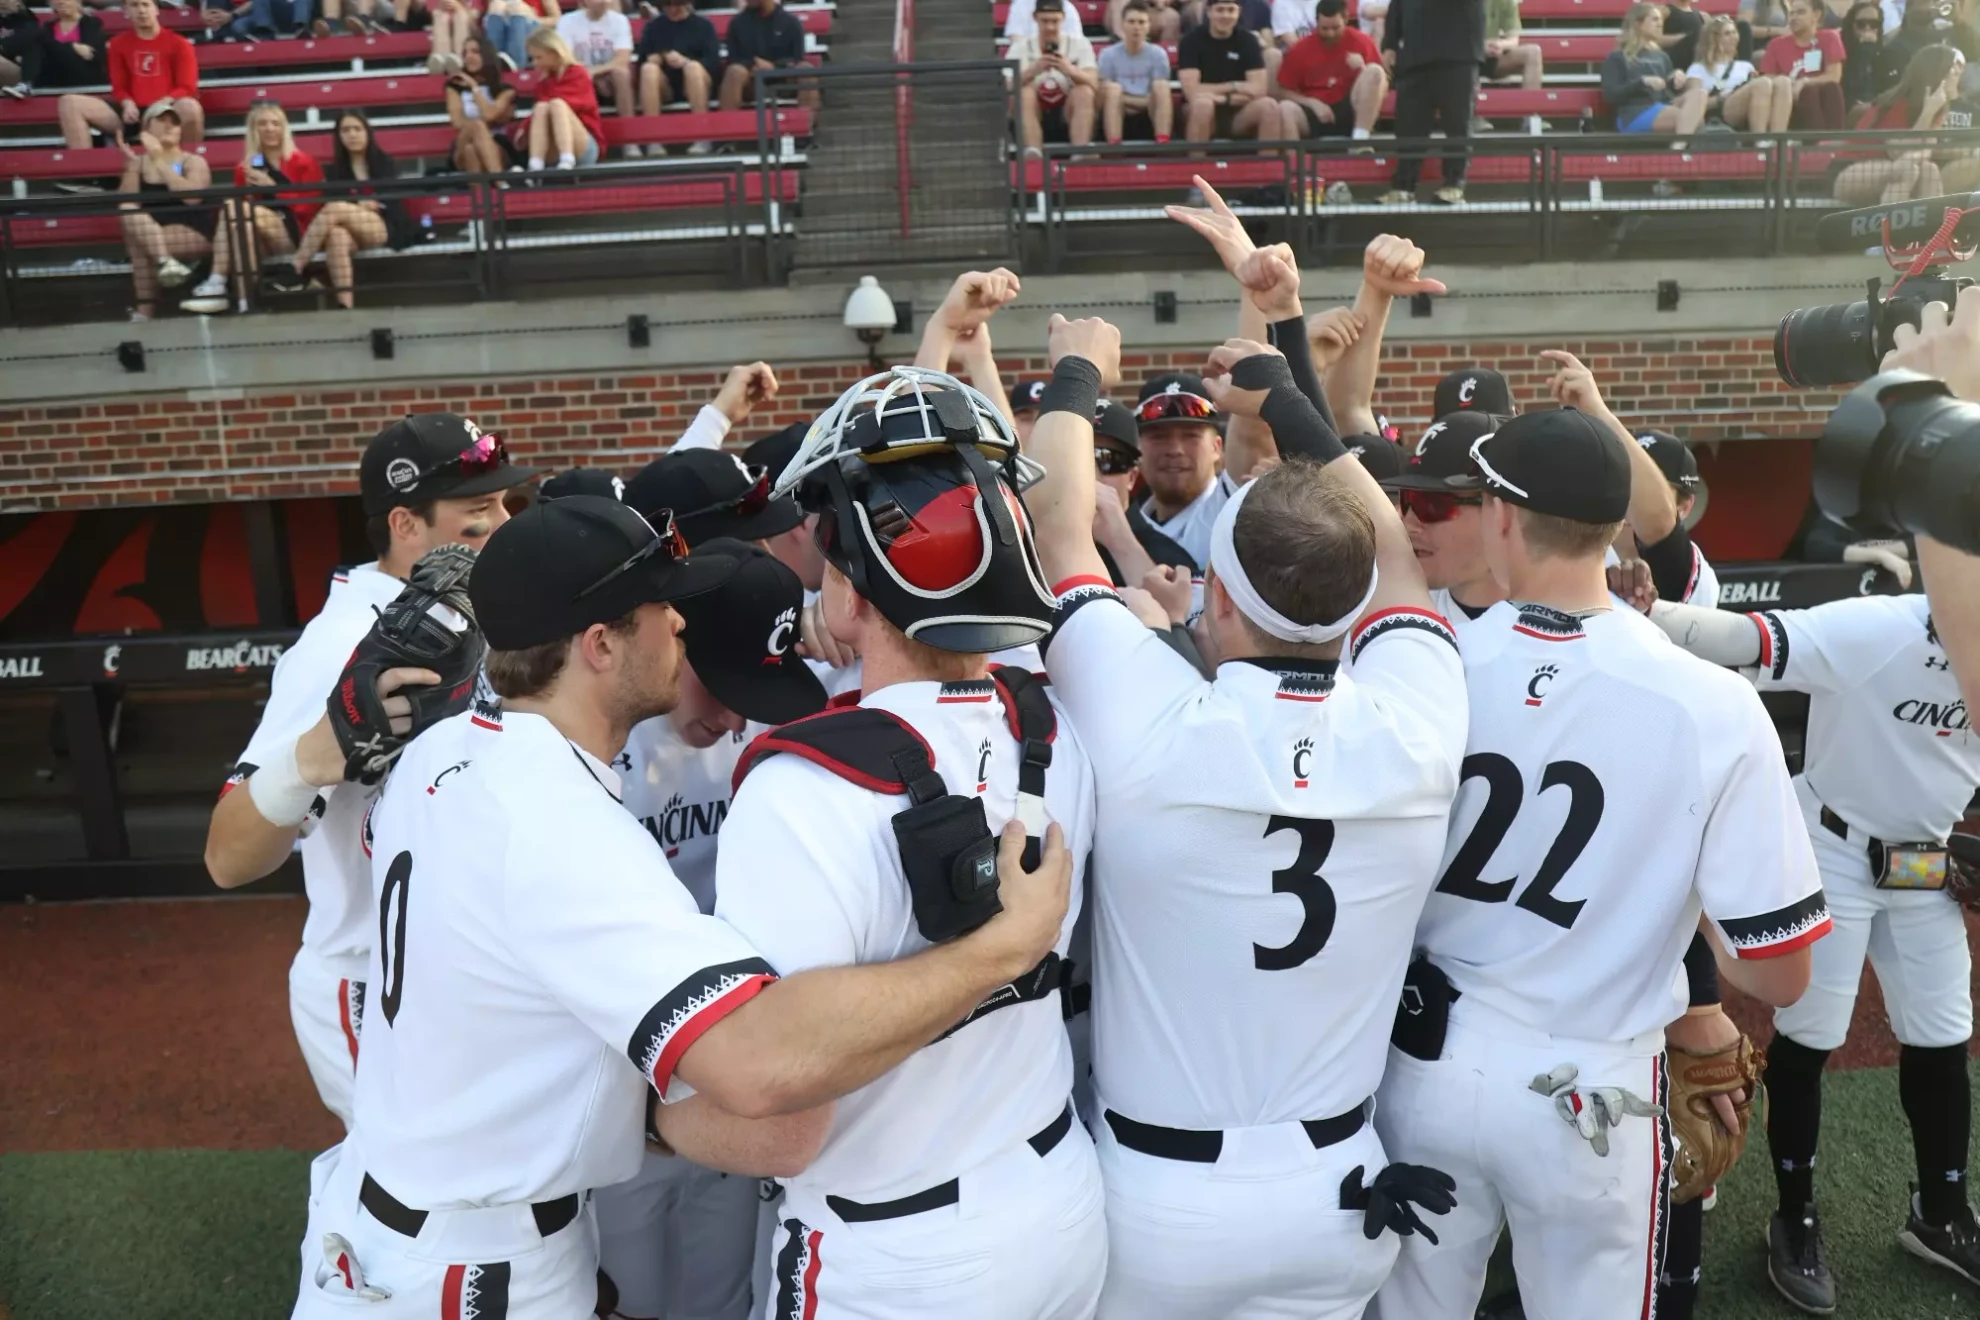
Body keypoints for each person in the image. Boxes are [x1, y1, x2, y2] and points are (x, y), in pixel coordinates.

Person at [291, 493, 1079, 1317]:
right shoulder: (562, 827)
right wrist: (1000, 949)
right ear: (598, 645)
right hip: (471, 1268)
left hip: (398, 1220)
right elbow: (762, 1080)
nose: (680, 624)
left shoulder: (443, 749)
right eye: (661, 607)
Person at [1026, 265, 1469, 1317]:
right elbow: (1400, 561)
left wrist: (1076, 375)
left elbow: (1056, 531)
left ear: (1216, 598)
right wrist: (1293, 406)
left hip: (1162, 1205)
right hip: (1343, 1193)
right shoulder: (1418, 718)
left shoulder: (1151, 716)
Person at [1366, 403, 1828, 1320]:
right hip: (1588, 1089)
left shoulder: (1426, 662)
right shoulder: (1712, 704)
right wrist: (1680, 894)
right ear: (1616, 527)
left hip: (1418, 1066)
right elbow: (1778, 977)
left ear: (1499, 515)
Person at [699, 364, 1106, 1320]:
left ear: (852, 579)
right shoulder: (1055, 722)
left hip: (896, 1249)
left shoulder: (798, 784)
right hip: (1060, 1197)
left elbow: (782, 1099)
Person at [1645, 587, 1980, 1308]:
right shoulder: (1882, 627)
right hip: (1831, 842)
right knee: (1810, 1033)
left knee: (1944, 1035)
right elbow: (1741, 638)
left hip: (1927, 863)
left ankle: (1942, 1214)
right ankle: (1792, 1216)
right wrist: (1637, 605)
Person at [203, 413, 540, 1128]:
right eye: (480, 513)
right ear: (406, 525)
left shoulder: (473, 605)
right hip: (375, 982)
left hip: (464, 968)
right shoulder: (338, 648)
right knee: (421, 1197)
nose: (506, 524)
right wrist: (308, 759)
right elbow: (227, 856)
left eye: (509, 504)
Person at [602, 539, 825, 1320]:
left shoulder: (768, 722)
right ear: (668, 636)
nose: (734, 717)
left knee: (724, 1290)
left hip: (729, 1062)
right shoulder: (596, 743)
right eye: (720, 686)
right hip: (619, 1071)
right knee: (627, 1293)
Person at [262, 112, 421, 310]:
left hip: (383, 226)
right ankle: (345, 305)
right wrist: (358, 204)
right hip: (350, 229)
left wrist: (356, 205)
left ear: (367, 133)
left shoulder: (385, 164)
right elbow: (333, 199)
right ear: (339, 136)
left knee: (336, 208)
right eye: (345, 130)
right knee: (337, 236)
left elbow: (390, 203)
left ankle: (296, 267)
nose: (352, 135)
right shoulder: (333, 171)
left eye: (357, 129)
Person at [179, 101, 324, 317]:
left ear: (284, 128)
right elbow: (242, 207)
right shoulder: (245, 166)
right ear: (253, 130)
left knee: (235, 209)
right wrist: (248, 189)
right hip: (257, 235)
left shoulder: (303, 162)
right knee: (240, 225)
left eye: (275, 123)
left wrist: (272, 188)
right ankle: (247, 303)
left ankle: (216, 282)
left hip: (295, 235)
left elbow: (308, 209)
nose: (269, 129)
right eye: (262, 124)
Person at [57, 0, 201, 152]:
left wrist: (162, 104)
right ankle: (84, 171)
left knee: (189, 107)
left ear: (156, 9)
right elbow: (119, 86)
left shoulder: (179, 43)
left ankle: (186, 165)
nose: (141, 10)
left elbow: (187, 87)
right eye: (134, 5)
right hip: (130, 111)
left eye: (146, 5)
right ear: (126, 11)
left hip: (166, 108)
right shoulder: (117, 44)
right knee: (69, 103)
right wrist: (127, 102)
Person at [1378, 0, 1485, 204]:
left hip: (1458, 54)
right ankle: (1403, 186)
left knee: (1457, 123)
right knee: (1408, 124)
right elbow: (1398, 5)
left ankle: (1454, 184)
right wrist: (1390, 44)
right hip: (1415, 56)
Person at [116, 103, 216, 322]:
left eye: (174, 122)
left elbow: (192, 197)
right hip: (151, 233)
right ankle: (165, 262)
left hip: (191, 231)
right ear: (146, 130)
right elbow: (127, 203)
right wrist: (132, 167)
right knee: (129, 215)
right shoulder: (138, 164)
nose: (169, 126)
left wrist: (159, 160)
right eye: (162, 121)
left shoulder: (193, 161)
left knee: (140, 245)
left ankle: (145, 312)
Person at [1834, 43, 1961, 202]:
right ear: (1938, 76)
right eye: (1953, 72)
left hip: (1891, 170)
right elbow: (1896, 151)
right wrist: (1926, 114)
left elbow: (1926, 150)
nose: (1957, 77)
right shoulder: (1898, 103)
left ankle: (1936, 226)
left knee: (1930, 170)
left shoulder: (1939, 107)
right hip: (1851, 172)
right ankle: (1890, 226)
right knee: (1906, 169)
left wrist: (1931, 112)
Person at [1091, 398, 1197, 587]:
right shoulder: (1033, 545)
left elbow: (1176, 614)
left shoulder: (1168, 559)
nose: (1092, 474)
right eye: (1077, 458)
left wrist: (1120, 543)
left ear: (1131, 477)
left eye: (1107, 459)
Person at [1132, 370, 1232, 568]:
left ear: (1216, 448)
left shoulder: (1234, 514)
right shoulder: (1125, 524)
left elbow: (1253, 437)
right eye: (1158, 437)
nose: (1175, 450)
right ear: (1139, 450)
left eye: (1190, 436)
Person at [1274, 0, 1386, 145]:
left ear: (1345, 19)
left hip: (1350, 107)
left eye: (1335, 27)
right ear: (1316, 22)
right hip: (1313, 109)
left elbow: (1381, 82)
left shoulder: (1362, 41)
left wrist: (1362, 69)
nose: (1330, 33)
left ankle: (1360, 142)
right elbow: (1282, 90)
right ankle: (1294, 163)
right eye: (1324, 28)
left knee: (1374, 71)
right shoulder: (1300, 49)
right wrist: (1312, 103)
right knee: (1285, 108)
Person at [1178, 0, 1286, 147]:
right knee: (1203, 105)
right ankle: (1196, 167)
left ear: (1238, 12)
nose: (1225, 15)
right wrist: (1235, 87)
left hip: (1239, 111)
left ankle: (1268, 168)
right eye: (1220, 10)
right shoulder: (1190, 40)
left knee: (1269, 106)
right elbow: (1192, 92)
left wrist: (1222, 97)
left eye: (1231, 10)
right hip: (1200, 110)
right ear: (1209, 11)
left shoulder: (1248, 40)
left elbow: (1259, 89)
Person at [1602, 3, 1708, 138]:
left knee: (1699, 95)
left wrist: (1675, 79)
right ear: (1638, 24)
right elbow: (1610, 95)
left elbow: (1666, 93)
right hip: (1634, 113)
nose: (1660, 24)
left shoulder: (1661, 56)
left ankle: (1679, 146)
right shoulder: (1617, 57)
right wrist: (1642, 82)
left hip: (1661, 106)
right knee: (1691, 120)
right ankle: (1681, 151)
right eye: (1654, 19)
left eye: (1660, 20)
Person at [1012, 0, 1101, 149]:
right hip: (1034, 108)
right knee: (1024, 93)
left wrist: (1070, 70)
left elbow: (1094, 83)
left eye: (1055, 21)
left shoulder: (1080, 43)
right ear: (1035, 18)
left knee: (1084, 92)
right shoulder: (1021, 46)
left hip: (1068, 108)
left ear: (1063, 18)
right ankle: (1033, 153)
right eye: (1044, 21)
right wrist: (1032, 71)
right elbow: (1007, 85)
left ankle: (1080, 151)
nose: (1050, 27)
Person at [555, 0, 635, 156]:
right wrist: (587, 74)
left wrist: (595, 72)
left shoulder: (619, 20)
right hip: (579, 77)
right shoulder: (568, 21)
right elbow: (565, 58)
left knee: (622, 73)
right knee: (572, 75)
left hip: (608, 78)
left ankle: (630, 139)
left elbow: (622, 59)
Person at [1689, 13, 1793, 133]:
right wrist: (1720, 98)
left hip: (1749, 106)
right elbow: (1691, 105)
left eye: (1734, 32)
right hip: (1720, 110)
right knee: (1762, 83)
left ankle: (1778, 137)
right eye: (1727, 34)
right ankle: (1760, 139)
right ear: (1714, 39)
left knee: (1783, 81)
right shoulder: (1698, 68)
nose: (1734, 37)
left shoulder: (1746, 66)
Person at [523, 26, 604, 172]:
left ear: (553, 53)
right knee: (541, 107)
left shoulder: (578, 73)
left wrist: (528, 122)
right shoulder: (543, 82)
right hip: (552, 148)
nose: (534, 63)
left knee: (557, 104)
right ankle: (535, 164)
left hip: (582, 144)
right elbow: (541, 113)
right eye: (532, 58)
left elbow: (579, 104)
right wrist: (524, 127)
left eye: (538, 57)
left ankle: (567, 159)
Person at [637, 0, 720, 140]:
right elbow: (641, 61)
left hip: (698, 82)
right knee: (648, 69)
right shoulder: (653, 27)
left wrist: (685, 62)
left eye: (676, 4)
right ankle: (653, 138)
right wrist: (654, 59)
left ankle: (702, 136)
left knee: (693, 68)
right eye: (667, 5)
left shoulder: (703, 26)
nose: (671, 9)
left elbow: (713, 63)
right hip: (666, 86)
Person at [1762, 0, 1849, 126]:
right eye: (1791, 13)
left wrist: (1804, 82)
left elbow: (1833, 77)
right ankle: (1813, 142)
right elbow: (1767, 79)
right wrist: (1790, 86)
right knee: (1809, 93)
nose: (1794, 18)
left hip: (1821, 99)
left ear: (1816, 15)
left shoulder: (1830, 38)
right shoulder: (1776, 44)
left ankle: (1834, 140)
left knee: (1830, 88)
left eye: (1800, 12)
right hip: (1788, 102)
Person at [1099, 0, 1174, 143]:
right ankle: (1114, 145)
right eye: (1131, 22)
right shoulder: (1107, 54)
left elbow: (1158, 96)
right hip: (1117, 109)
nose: (1136, 27)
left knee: (1162, 87)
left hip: (1149, 111)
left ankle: (1163, 141)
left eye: (1141, 22)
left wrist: (1127, 100)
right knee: (1112, 90)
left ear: (1149, 26)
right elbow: (1104, 95)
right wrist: (1132, 100)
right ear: (1123, 24)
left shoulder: (1158, 54)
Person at [446, 33, 517, 174]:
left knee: (471, 150)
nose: (468, 57)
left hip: (496, 144)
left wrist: (474, 88)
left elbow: (489, 114)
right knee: (476, 127)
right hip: (463, 141)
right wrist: (479, 126)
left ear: (487, 55)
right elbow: (458, 122)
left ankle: (479, 194)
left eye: (475, 52)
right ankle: (501, 183)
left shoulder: (505, 89)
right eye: (465, 52)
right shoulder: (454, 86)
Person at [718, 0, 806, 112]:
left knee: (805, 69)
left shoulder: (791, 22)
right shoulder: (737, 23)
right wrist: (752, 64)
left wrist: (774, 67)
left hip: (784, 80)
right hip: (751, 80)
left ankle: (809, 123)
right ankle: (727, 125)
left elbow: (797, 57)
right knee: (734, 71)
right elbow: (733, 58)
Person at [16, 0, 107, 100]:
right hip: (53, 76)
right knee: (35, 45)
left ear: (78, 2)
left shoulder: (91, 23)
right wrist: (72, 46)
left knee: (40, 48)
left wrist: (57, 48)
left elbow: (90, 54)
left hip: (83, 75)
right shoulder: (48, 27)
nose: (61, 2)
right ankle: (26, 85)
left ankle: (26, 84)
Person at [1842, 0, 1899, 104]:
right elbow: (1852, 84)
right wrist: (1863, 51)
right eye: (1861, 24)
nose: (1867, 28)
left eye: (1874, 24)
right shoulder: (1840, 48)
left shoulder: (1885, 53)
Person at [1482, 0, 1543, 95]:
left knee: (1533, 53)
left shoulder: (1506, 2)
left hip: (1490, 56)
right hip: (1463, 57)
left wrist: (1499, 45)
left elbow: (1513, 40)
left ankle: (1531, 107)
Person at [483, 0, 553, 71]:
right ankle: (494, 64)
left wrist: (534, 18)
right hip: (502, 27)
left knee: (517, 9)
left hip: (530, 27)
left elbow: (556, 19)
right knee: (497, 5)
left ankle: (515, 65)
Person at [1659, 0, 1709, 72]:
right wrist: (1679, 38)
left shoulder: (1700, 15)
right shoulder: (1666, 11)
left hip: (1694, 66)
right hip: (1672, 67)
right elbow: (1652, 38)